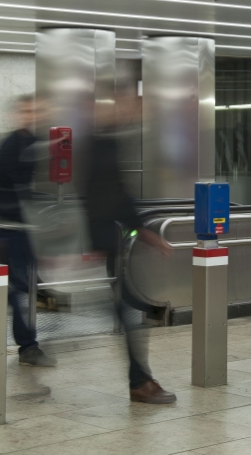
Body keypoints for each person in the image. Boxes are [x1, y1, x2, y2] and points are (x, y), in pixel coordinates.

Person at [83, 94, 177, 403]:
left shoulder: (109, 143)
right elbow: (100, 197)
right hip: (106, 241)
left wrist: (145, 232)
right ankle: (140, 381)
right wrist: (143, 234)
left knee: (130, 311)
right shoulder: (96, 145)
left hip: (113, 240)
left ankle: (141, 379)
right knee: (129, 312)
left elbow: (117, 195)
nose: (134, 111)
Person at [0, 94, 55, 367]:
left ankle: (28, 343)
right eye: (28, 111)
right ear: (19, 114)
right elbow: (10, 190)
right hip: (12, 228)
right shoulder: (10, 146)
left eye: (37, 111)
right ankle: (28, 346)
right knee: (20, 288)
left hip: (29, 229)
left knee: (24, 286)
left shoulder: (36, 143)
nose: (33, 116)